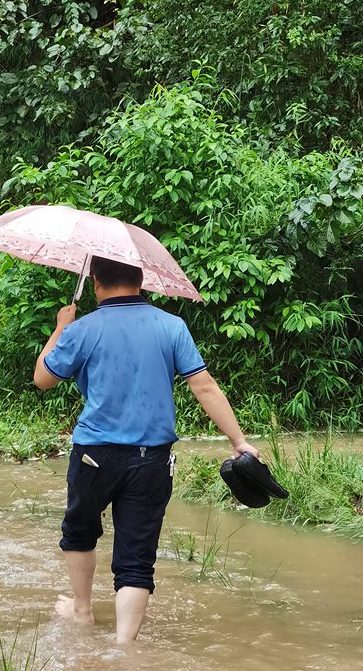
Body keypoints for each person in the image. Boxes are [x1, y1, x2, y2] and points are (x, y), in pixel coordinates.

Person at [34, 256, 258, 644]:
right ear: (141, 281)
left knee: (80, 530)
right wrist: (238, 441)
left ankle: (82, 610)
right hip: (152, 458)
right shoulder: (172, 326)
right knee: (136, 555)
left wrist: (60, 329)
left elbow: (43, 379)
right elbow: (203, 386)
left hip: (94, 454)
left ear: (96, 282)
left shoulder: (83, 329)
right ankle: (125, 649)